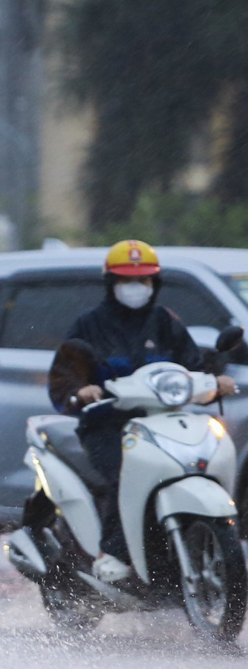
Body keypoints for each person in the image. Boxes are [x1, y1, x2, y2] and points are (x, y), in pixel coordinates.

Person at [47, 239, 238, 584]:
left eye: (144, 280)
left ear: (155, 283)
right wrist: (81, 389)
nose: (136, 287)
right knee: (125, 473)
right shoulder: (89, 326)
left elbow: (190, 368)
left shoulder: (166, 322)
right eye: (126, 280)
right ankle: (114, 552)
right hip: (107, 425)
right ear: (110, 283)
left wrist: (213, 383)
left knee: (194, 463)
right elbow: (63, 381)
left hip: (163, 423)